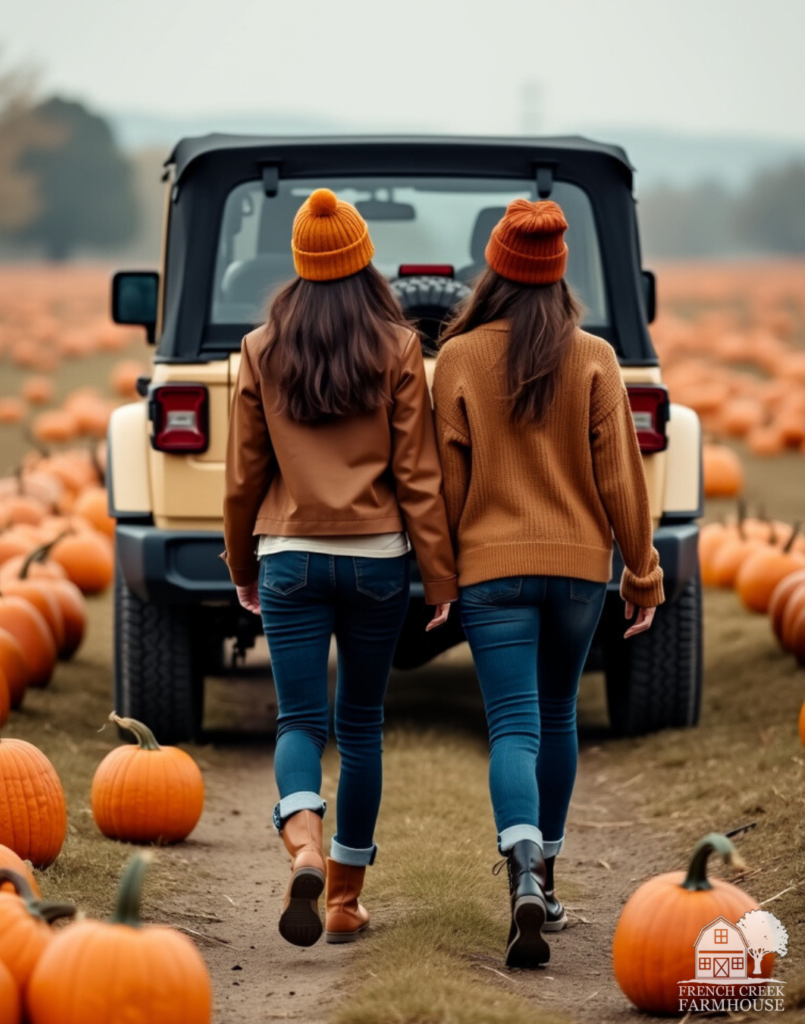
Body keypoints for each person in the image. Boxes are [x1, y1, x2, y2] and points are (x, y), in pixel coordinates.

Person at [222, 188, 458, 949]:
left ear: (298, 262)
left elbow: (241, 478)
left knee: (298, 719)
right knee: (361, 728)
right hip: (376, 562)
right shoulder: (395, 347)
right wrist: (441, 578)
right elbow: (419, 476)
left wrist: (241, 565)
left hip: (287, 554)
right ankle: (345, 901)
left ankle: (302, 848)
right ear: (363, 260)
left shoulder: (261, 347)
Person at [432, 198, 664, 968]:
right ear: (559, 277)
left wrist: (443, 571)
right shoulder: (594, 357)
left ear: (493, 272)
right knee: (557, 714)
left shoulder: (458, 359)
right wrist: (641, 570)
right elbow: (621, 480)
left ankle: (521, 867)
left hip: (489, 574)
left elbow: (448, 487)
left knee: (512, 727)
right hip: (575, 575)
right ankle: (548, 880)